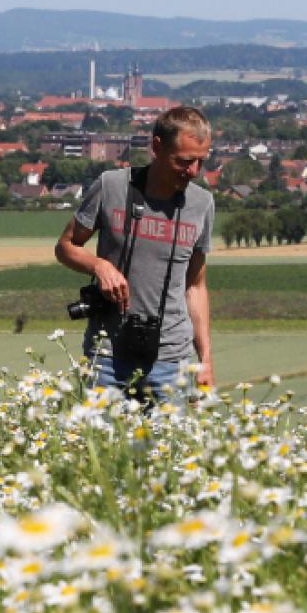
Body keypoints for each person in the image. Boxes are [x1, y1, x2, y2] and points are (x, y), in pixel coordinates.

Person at [54, 105, 218, 404]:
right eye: (184, 161)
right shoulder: (111, 186)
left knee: (167, 451)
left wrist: (205, 359)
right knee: (104, 449)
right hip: (107, 355)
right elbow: (65, 247)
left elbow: (195, 285)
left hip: (172, 359)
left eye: (200, 162)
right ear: (157, 146)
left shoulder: (202, 203)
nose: (193, 171)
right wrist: (99, 265)